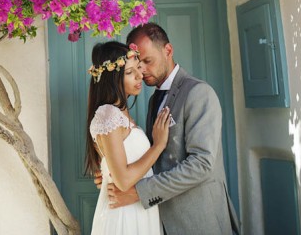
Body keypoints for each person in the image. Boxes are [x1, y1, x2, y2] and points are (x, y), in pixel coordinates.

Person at [96, 23, 240, 235]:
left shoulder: (199, 93)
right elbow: (155, 159)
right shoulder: (155, 100)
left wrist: (139, 192)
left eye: (147, 61)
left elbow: (201, 164)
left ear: (168, 50)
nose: (141, 70)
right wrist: (112, 172)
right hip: (158, 221)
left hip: (198, 220)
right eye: (137, 63)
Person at [86, 41, 172, 234]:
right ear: (112, 78)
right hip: (124, 214)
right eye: (129, 72)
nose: (140, 75)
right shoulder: (108, 114)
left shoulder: (121, 114)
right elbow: (123, 181)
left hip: (138, 207)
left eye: (138, 69)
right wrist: (158, 146)